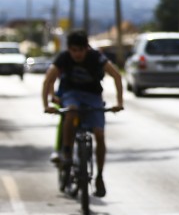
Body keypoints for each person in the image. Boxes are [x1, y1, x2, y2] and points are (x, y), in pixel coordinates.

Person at [42, 30, 124, 197]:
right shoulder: (63, 58)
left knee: (99, 134)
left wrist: (119, 102)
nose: (77, 54)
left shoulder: (96, 57)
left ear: (87, 48)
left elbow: (116, 75)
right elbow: (48, 80)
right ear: (69, 49)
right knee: (71, 112)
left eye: (81, 50)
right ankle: (66, 153)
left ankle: (99, 176)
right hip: (71, 94)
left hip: (93, 96)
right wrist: (46, 105)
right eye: (73, 50)